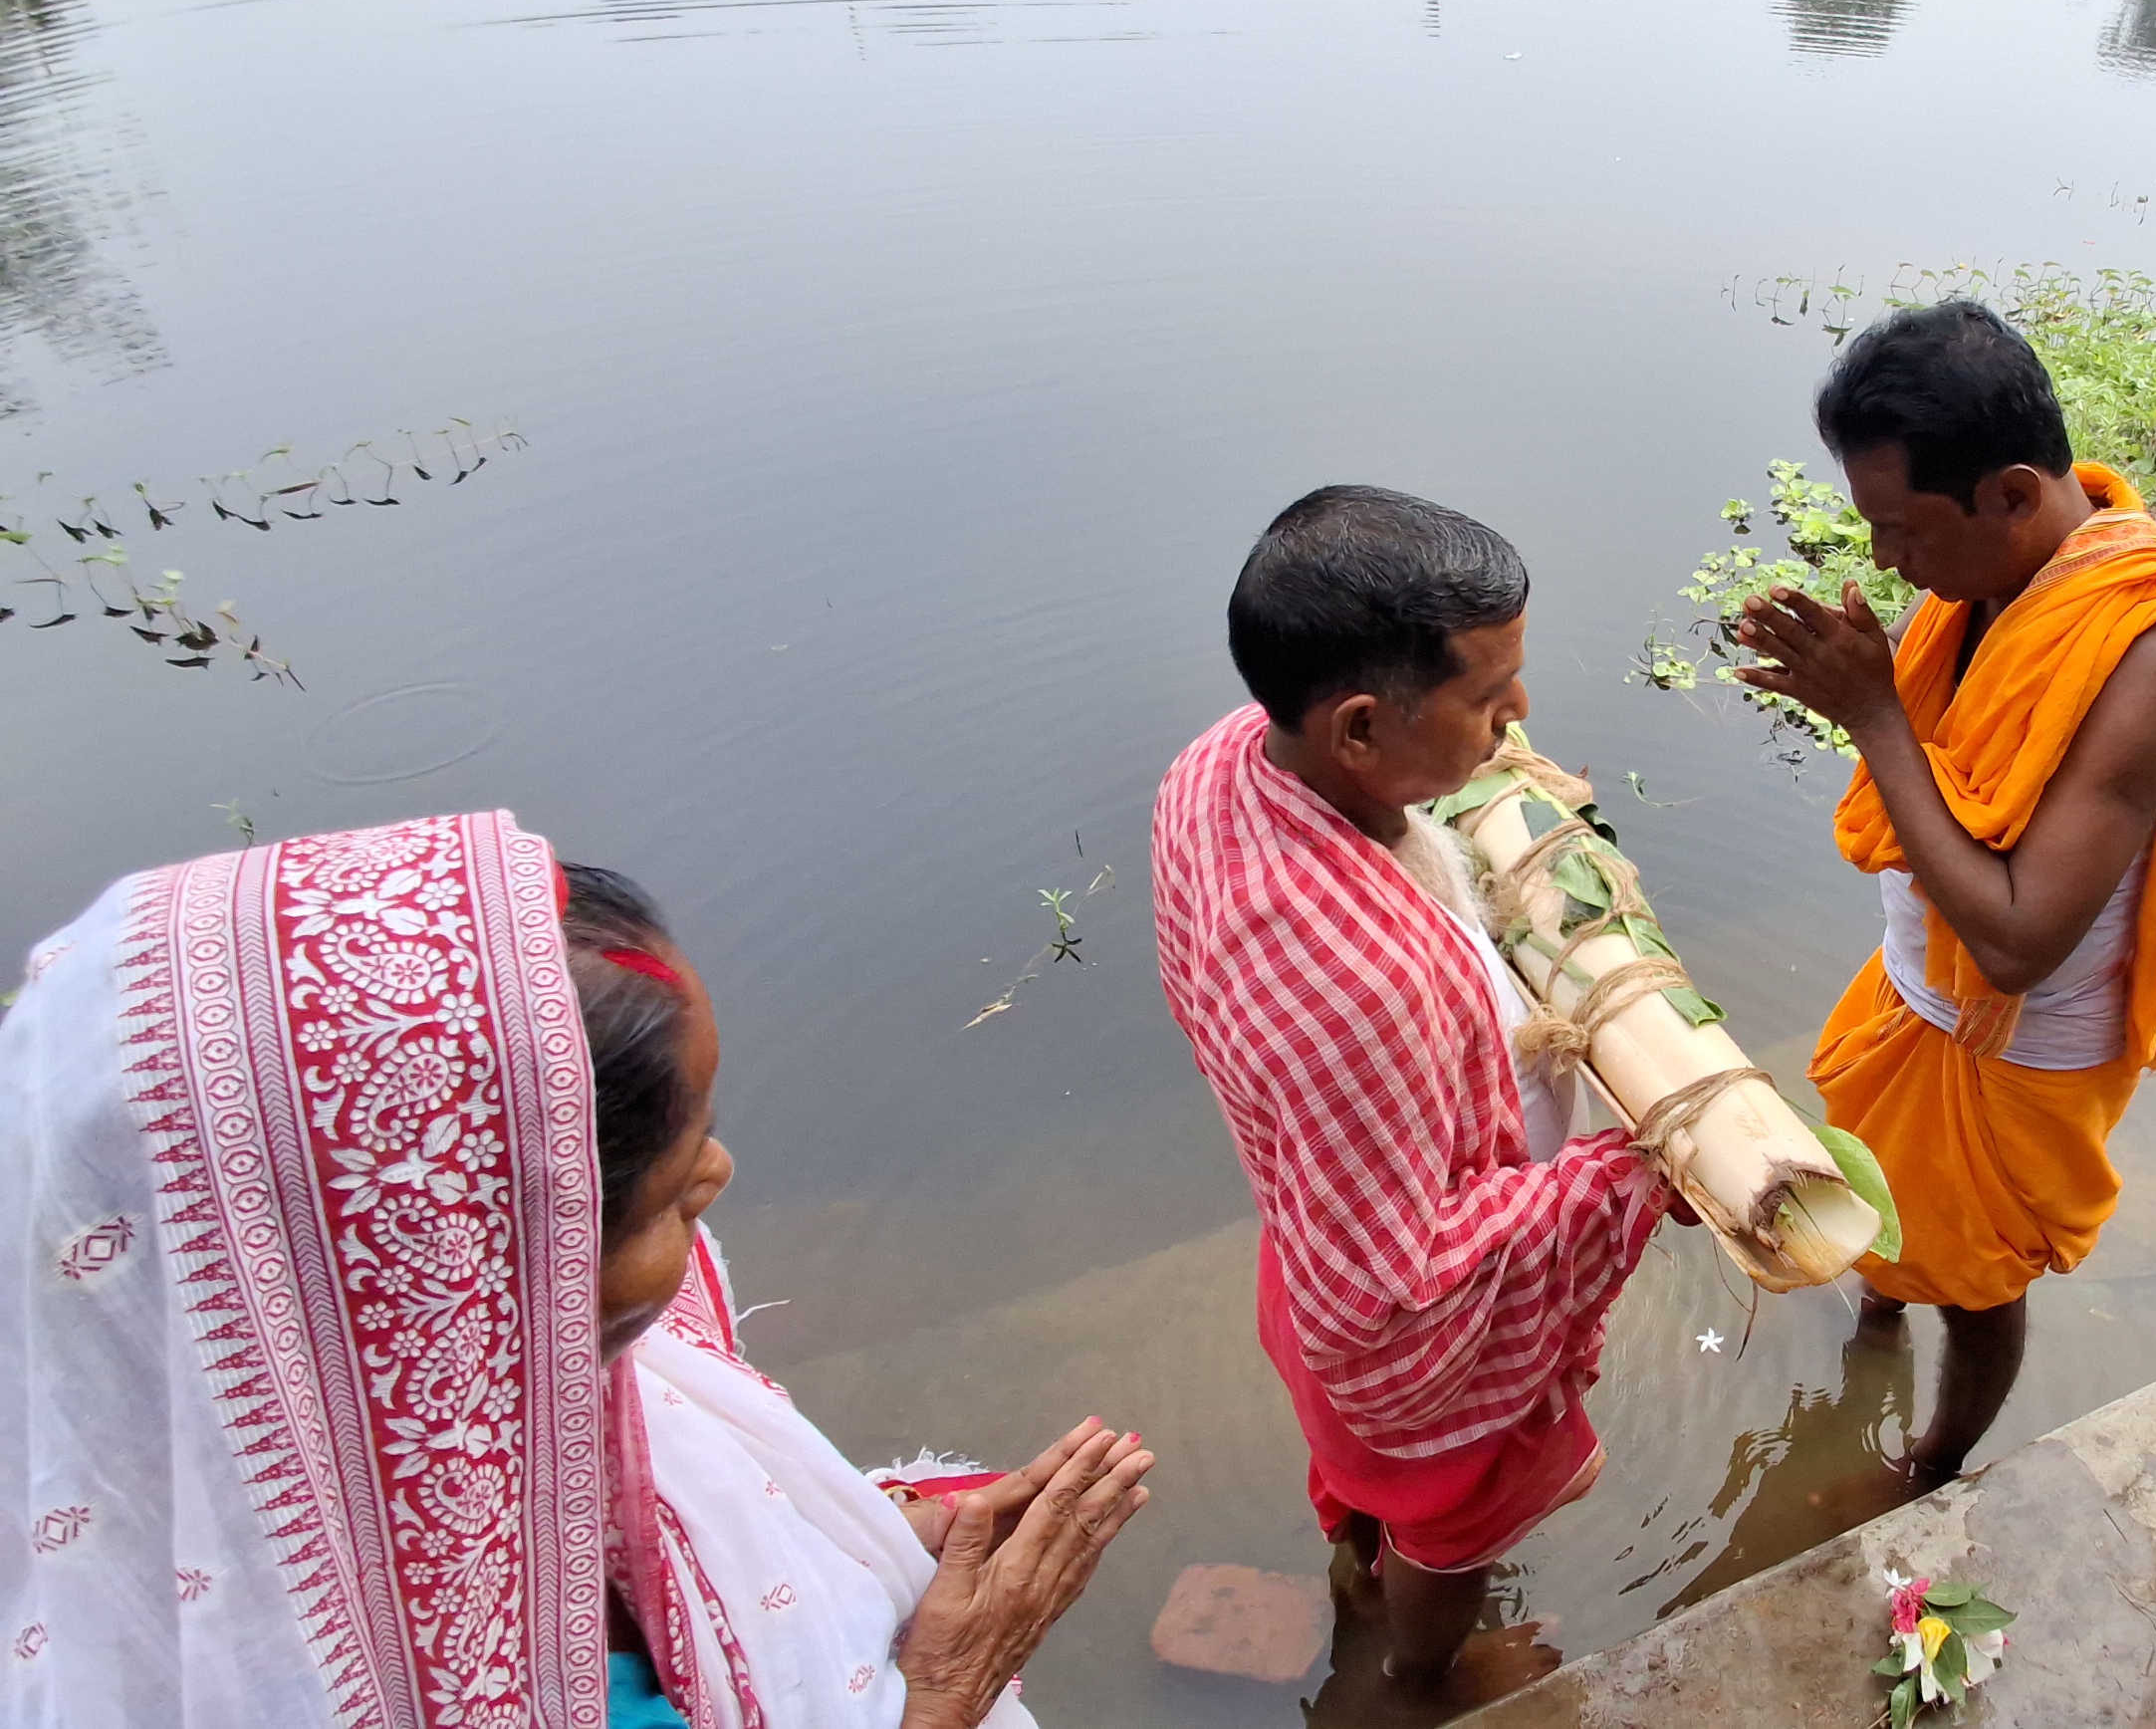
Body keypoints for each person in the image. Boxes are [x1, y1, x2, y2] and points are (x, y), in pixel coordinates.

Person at [0, 809, 1151, 1727]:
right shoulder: (277, 1680)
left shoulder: (385, 1395)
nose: (718, 1178)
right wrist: (946, 1691)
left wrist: (868, 1537)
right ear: (452, 1287)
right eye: (664, 1187)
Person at [1150, 487, 1684, 1709]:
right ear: (1354, 731)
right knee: (1449, 1530)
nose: (1521, 717)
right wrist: (1637, 1168)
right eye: (1489, 701)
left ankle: (1354, 1564)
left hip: (1305, 1253)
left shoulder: (1218, 765)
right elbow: (1404, 1293)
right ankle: (1419, 1666)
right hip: (1410, 1352)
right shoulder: (1359, 982)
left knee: (1360, 1483)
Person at [1733, 301, 2156, 1496]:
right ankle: (1878, 1313)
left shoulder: (2149, 651)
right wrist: (1872, 696)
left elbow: (2019, 938)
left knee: (1978, 1280)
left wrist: (1874, 713)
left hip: (2015, 1028)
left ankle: (1934, 1460)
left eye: (1904, 528)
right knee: (1879, 1176)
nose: (1888, 562)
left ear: (2013, 495)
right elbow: (1959, 791)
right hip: (1925, 980)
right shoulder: (1998, 583)